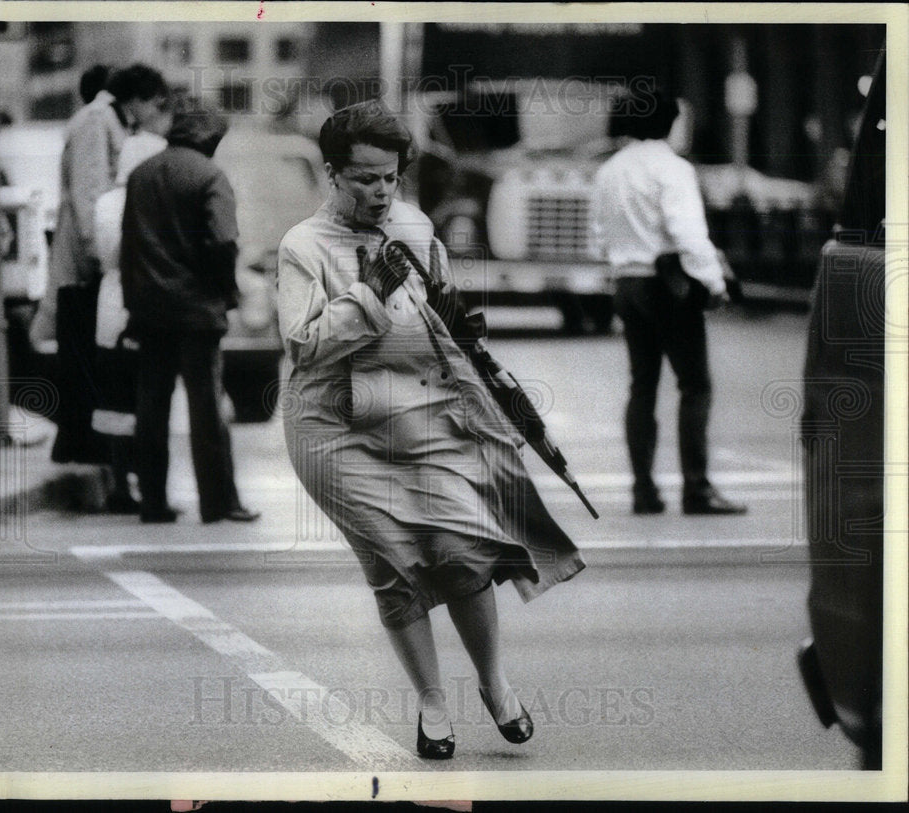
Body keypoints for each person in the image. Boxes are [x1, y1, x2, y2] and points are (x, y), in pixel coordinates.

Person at [276, 100, 585, 759]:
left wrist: (471, 347)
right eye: (363, 178)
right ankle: (430, 702)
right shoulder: (303, 246)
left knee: (464, 549)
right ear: (333, 175)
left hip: (423, 412)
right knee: (392, 565)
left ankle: (494, 683)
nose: (380, 191)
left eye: (389, 177)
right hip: (334, 426)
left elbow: (445, 310)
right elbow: (302, 344)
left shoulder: (415, 228)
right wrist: (367, 296)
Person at [590, 85, 747, 516]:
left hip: (627, 282)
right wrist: (716, 284)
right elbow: (689, 235)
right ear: (669, 122)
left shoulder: (609, 172)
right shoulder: (672, 168)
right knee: (694, 385)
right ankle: (696, 489)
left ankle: (644, 490)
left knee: (642, 385)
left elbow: (598, 238)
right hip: (668, 283)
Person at [120, 96, 259, 526]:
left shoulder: (141, 176)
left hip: (150, 309)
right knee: (207, 409)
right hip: (197, 310)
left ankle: (153, 502)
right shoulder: (210, 175)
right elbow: (222, 241)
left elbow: (130, 246)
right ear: (208, 137)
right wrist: (226, 292)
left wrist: (135, 301)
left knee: (152, 408)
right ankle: (219, 502)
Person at [31, 63, 168, 477]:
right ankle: (78, 445)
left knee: (88, 360)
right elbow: (90, 192)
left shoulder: (106, 120)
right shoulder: (96, 120)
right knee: (82, 360)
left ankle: (82, 444)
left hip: (90, 261)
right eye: (155, 104)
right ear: (138, 99)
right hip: (85, 265)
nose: (156, 114)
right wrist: (102, 255)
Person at [91, 130, 170, 512]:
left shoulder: (105, 202)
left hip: (109, 300)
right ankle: (145, 484)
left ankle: (120, 482)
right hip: (147, 302)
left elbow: (100, 252)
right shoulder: (151, 200)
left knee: (115, 397)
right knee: (149, 398)